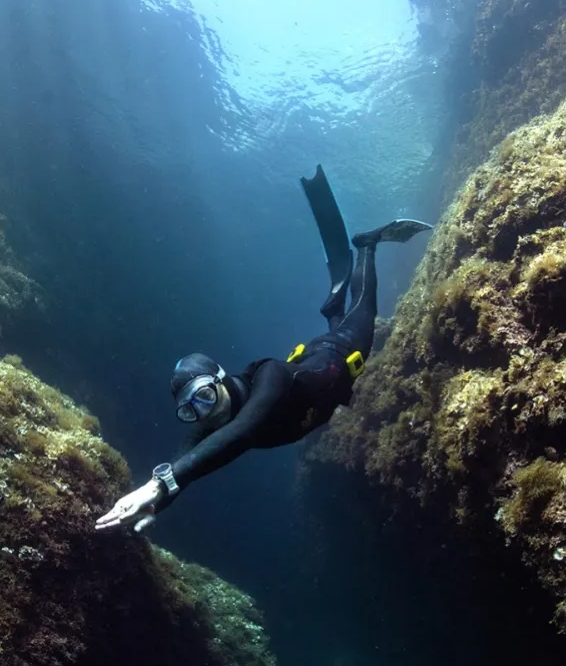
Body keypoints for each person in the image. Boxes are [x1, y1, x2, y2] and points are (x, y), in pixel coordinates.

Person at [95, 165, 432, 533]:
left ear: (220, 379)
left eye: (205, 396)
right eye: (192, 410)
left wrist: (160, 485)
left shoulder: (270, 377)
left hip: (340, 350)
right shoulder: (217, 424)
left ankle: (366, 244)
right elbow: (192, 458)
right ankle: (333, 306)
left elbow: (242, 432)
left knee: (364, 309)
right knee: (338, 324)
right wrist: (158, 501)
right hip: (316, 364)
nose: (205, 412)